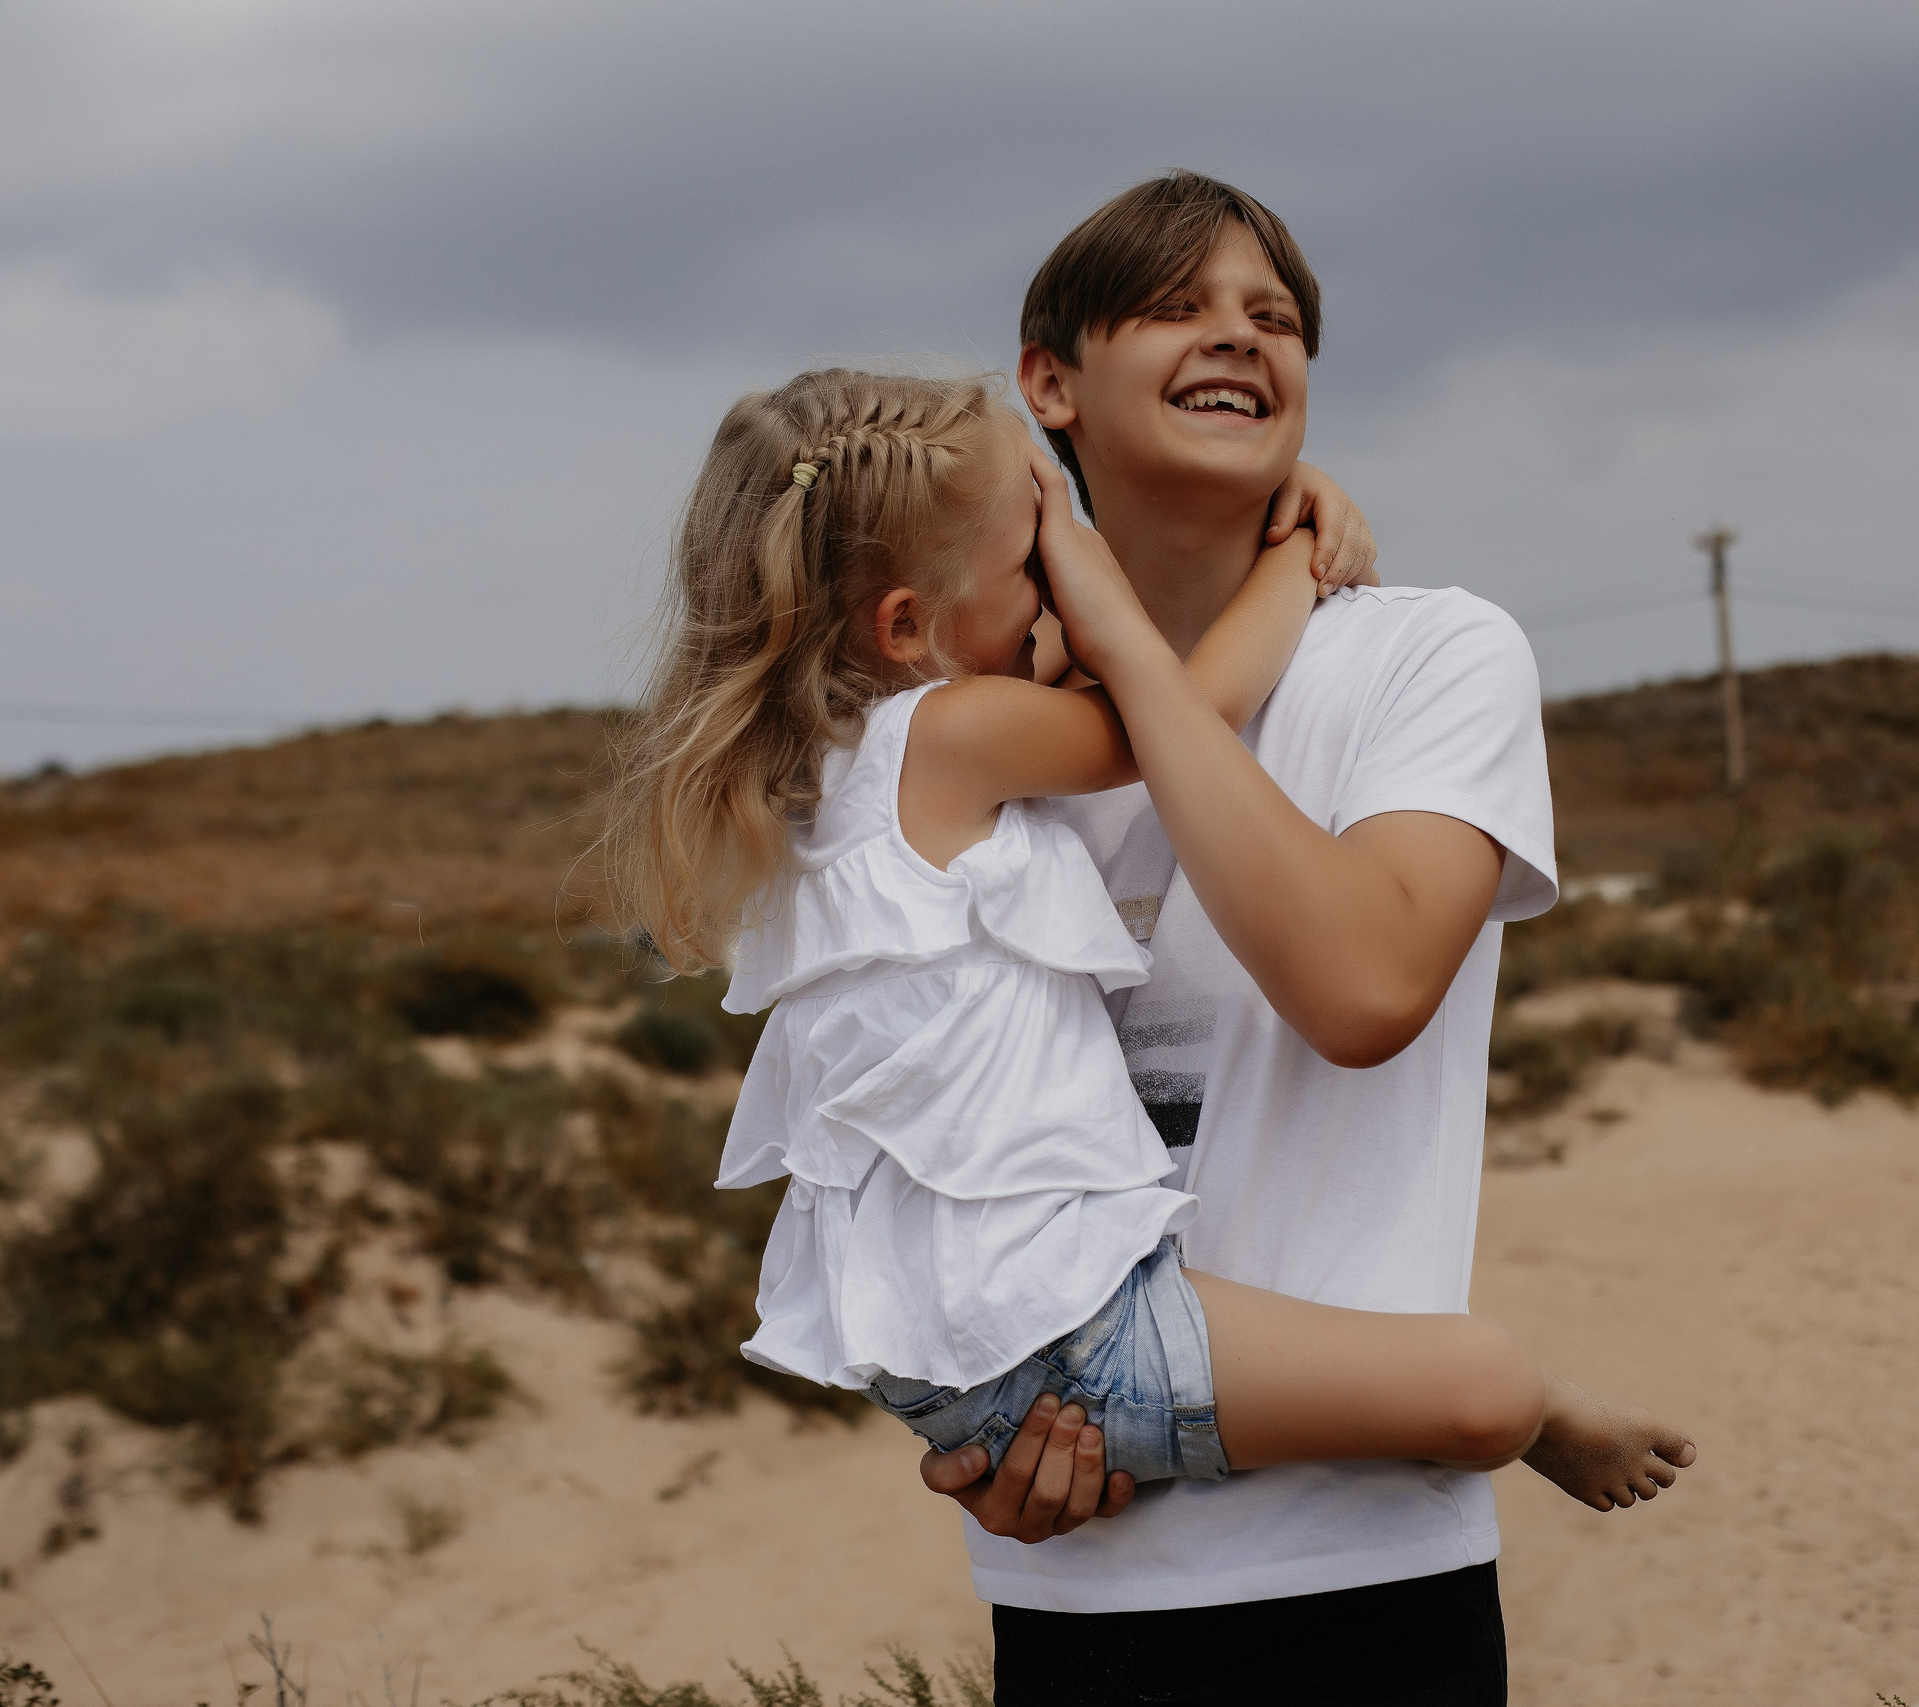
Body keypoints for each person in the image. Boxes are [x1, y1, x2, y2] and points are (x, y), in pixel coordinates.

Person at [607, 352, 1689, 1700]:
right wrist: (1296, 559)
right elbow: (1175, 723)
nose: (1058, 591)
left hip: (983, 1347)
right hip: (1059, 1334)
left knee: (1458, 1383)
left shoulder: (837, 775)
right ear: (905, 628)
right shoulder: (943, 738)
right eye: (1036, 560)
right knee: (1482, 1386)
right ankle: (1541, 1418)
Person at [880, 172, 1696, 1704]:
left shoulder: (1430, 656)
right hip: (1070, 1581)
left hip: (1366, 1576)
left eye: (1275, 317)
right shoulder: (977, 733)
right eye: (1177, 306)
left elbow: (1362, 987)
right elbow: (911, 1123)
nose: (1238, 337)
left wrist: (1127, 623)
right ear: (1046, 379)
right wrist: (974, 1427)